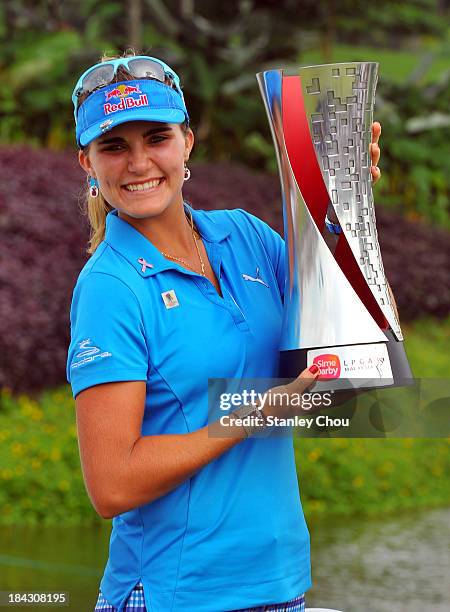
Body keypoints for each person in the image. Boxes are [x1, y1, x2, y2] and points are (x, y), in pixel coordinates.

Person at [67, 52, 382, 612]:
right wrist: (247, 419)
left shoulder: (245, 236)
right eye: (114, 146)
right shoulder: (110, 287)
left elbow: (344, 344)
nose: (138, 163)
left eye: (156, 137)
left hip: (280, 582)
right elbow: (111, 484)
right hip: (176, 595)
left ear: (187, 141)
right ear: (88, 164)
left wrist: (343, 209)